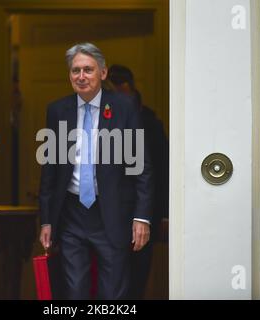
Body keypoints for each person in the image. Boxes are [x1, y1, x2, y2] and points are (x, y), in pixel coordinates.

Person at [38, 43, 153, 300]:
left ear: (103, 72)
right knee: (74, 291)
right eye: (75, 70)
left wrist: (142, 217)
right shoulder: (57, 111)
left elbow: (141, 165)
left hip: (111, 213)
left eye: (88, 70)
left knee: (112, 293)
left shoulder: (124, 106)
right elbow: (50, 170)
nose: (81, 76)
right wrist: (46, 219)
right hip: (71, 214)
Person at [107, 64, 169, 299]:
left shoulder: (150, 124)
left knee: (136, 281)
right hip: (106, 217)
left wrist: (164, 215)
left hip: (144, 214)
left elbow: (162, 170)